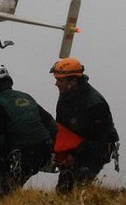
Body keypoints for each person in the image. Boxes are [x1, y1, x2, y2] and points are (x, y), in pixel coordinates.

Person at [0, 63, 57, 201]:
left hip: (21, 153)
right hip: (44, 148)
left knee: (7, 190)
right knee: (15, 185)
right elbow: (51, 124)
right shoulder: (25, 96)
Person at [51, 57, 119, 194]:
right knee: (63, 189)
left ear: (73, 81)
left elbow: (100, 141)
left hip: (95, 149)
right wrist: (64, 154)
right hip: (75, 147)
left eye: (60, 80)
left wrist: (74, 156)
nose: (56, 84)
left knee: (80, 186)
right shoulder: (66, 95)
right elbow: (62, 128)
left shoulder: (95, 104)